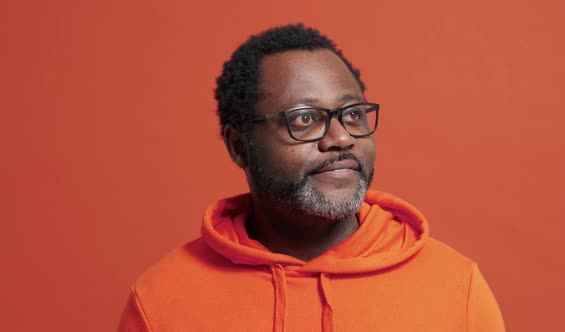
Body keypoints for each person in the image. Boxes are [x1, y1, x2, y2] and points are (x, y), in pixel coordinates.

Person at [118, 23, 505, 332]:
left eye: (352, 114)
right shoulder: (163, 299)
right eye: (304, 119)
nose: (341, 138)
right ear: (239, 146)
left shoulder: (456, 287)